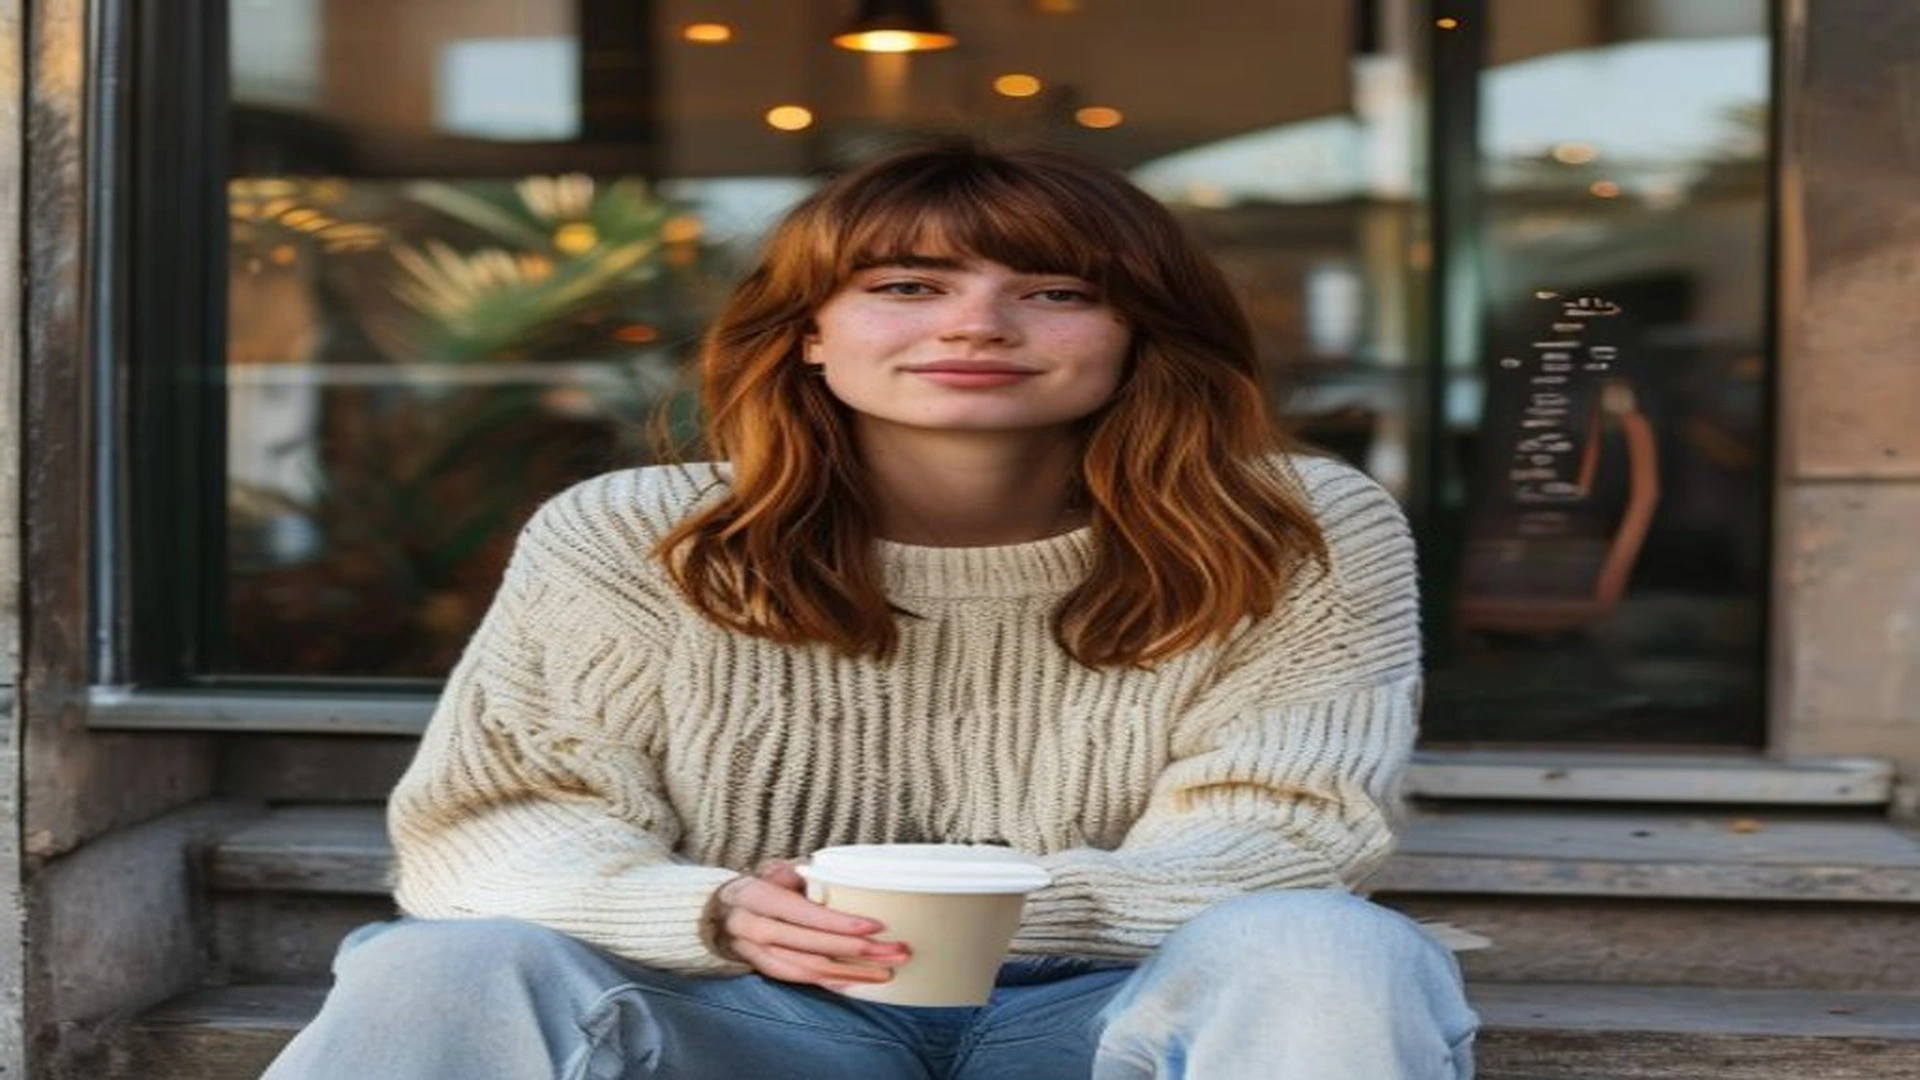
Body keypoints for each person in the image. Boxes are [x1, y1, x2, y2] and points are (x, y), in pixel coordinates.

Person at [263, 141, 1477, 1080]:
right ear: (807, 333)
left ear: (1136, 336)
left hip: (1115, 1003)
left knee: (1329, 950)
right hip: (743, 1012)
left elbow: (1290, 834)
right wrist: (716, 910)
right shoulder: (631, 532)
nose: (977, 324)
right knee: (443, 968)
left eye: (1054, 291)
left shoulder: (1291, 524)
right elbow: (500, 826)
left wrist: (982, 913)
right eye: (907, 284)